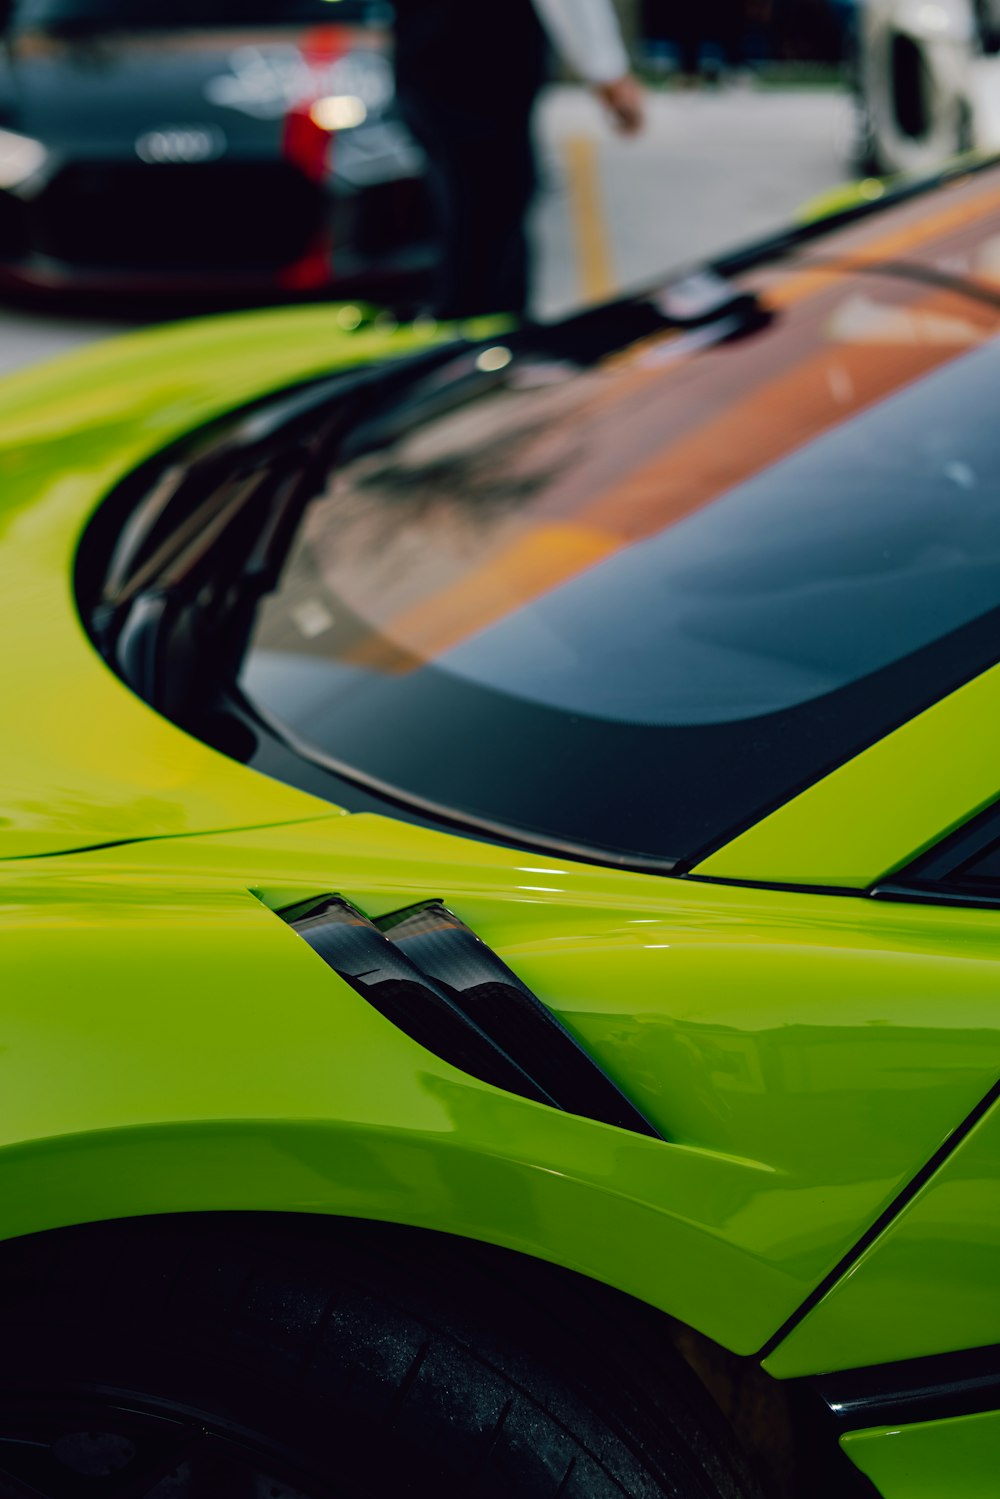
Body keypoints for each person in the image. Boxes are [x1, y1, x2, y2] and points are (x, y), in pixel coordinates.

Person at [393, 0, 645, 320]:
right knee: (490, 211)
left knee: (468, 207)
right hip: (481, 55)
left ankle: (471, 328)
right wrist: (607, 69)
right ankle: (485, 342)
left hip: (426, 51)